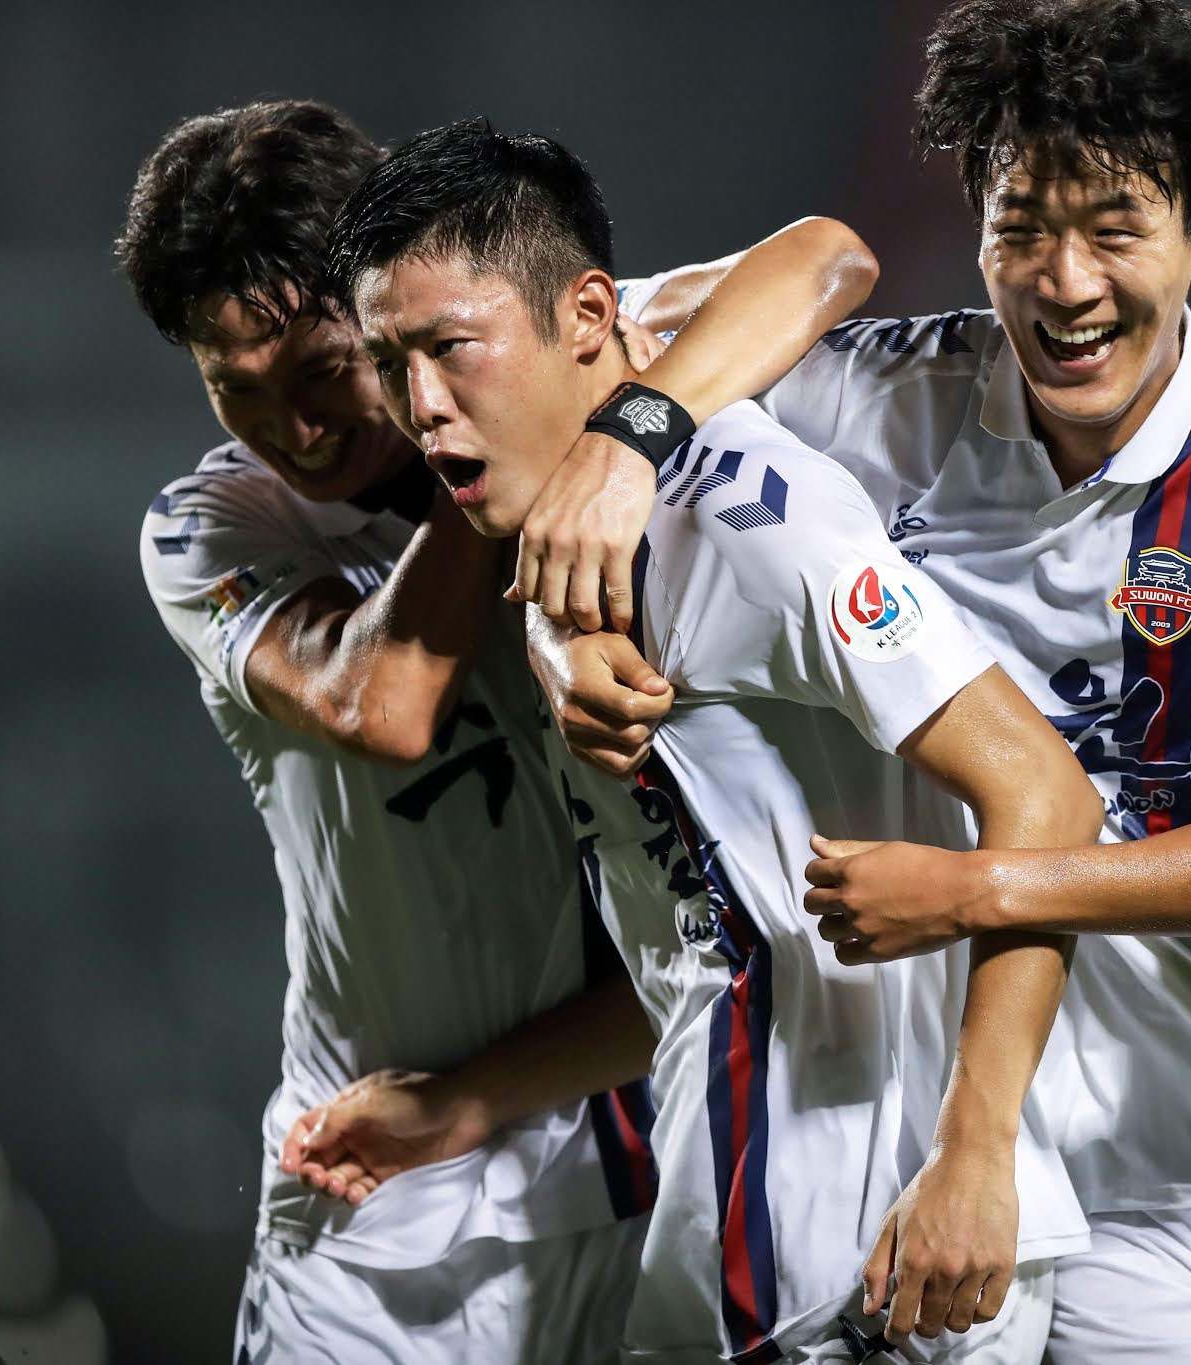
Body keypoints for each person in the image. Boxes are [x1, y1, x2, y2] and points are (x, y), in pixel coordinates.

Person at [519, 3, 1191, 1361]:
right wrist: (612, 489)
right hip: (1090, 1195)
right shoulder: (899, 400)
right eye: (1023, 226)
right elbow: (645, 322)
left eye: (1115, 227)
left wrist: (983, 885)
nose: (1067, 280)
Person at [327, 116, 1105, 1363]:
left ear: (592, 320)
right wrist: (466, 1102)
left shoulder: (755, 524)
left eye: (449, 352)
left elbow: (1050, 802)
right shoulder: (550, 533)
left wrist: (975, 1155)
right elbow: (713, 946)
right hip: (746, 1235)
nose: (421, 406)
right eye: (390, 360)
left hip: (878, 1256)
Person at [118, 98, 881, 1363]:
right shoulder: (213, 525)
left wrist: (623, 441)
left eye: (319, 373)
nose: (293, 433)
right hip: (369, 1190)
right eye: (233, 392)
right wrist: (521, 466)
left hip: (635, 1152)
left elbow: (827, 259)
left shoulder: (536, 362)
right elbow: (380, 702)